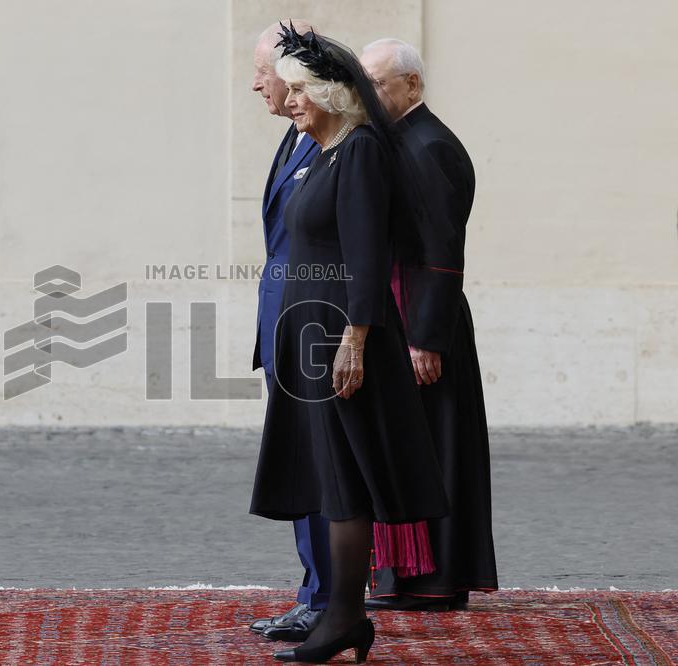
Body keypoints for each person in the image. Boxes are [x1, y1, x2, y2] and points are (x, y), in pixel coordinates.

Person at [250, 24, 448, 663]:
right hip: (312, 336)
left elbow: (367, 258)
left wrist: (354, 341)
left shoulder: (359, 150)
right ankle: (342, 617)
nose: (290, 100)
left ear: (332, 92)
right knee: (333, 482)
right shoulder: (327, 151)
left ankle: (342, 619)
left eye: (300, 90)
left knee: (345, 484)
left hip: (338, 340)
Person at [359, 38, 498, 611]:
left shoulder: (431, 146)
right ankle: (407, 577)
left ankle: (434, 581)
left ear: (412, 84)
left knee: (435, 451)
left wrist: (424, 338)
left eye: (378, 83)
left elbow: (442, 253)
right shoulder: (403, 139)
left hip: (424, 325)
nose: (369, 95)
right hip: (406, 316)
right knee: (410, 448)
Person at [246, 19, 331, 643]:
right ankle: (315, 590)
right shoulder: (293, 138)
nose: (257, 86)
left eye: (262, 73)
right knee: (300, 465)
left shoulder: (332, 141)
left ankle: (326, 598)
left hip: (313, 327)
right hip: (284, 323)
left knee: (318, 467)